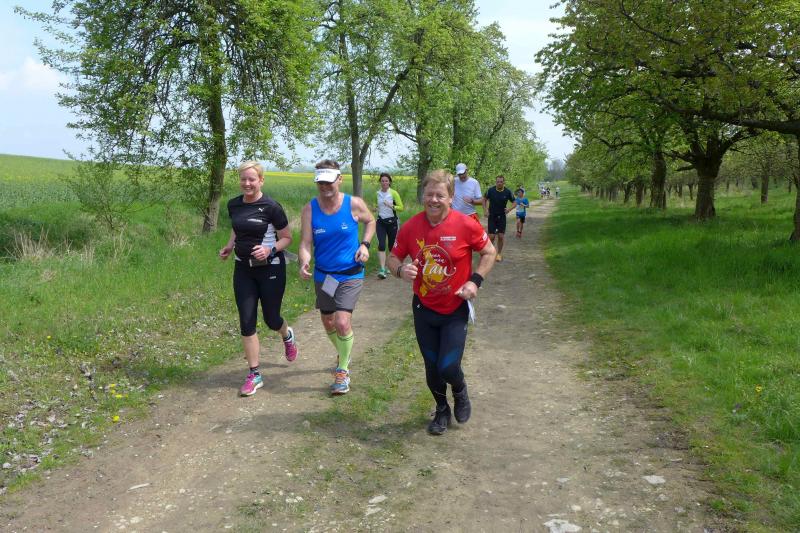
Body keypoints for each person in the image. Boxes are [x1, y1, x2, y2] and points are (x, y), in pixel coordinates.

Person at [387, 169, 497, 436]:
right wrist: (400, 270)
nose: (433, 200)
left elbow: (489, 252)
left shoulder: (466, 224)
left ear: (451, 197)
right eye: (429, 194)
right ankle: (442, 409)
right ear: (423, 196)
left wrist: (475, 281)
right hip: (424, 308)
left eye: (440, 195)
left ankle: (459, 390)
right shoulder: (411, 226)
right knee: (432, 366)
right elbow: (393, 258)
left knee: (448, 366)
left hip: (454, 308)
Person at [219, 161, 298, 397]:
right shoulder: (234, 204)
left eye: (252, 179)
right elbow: (237, 228)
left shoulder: (272, 207)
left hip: (271, 268)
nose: (247, 183)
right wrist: (229, 246)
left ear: (261, 180)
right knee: (246, 321)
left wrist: (269, 249)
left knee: (272, 319)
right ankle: (254, 374)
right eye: (243, 179)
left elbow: (287, 237)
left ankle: (287, 334)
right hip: (243, 269)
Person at [299, 160, 376, 395]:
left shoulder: (354, 204)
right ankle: (345, 352)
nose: (324, 187)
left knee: (342, 322)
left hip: (351, 274)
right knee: (328, 321)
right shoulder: (310, 209)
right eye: (320, 182)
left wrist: (365, 245)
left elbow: (371, 221)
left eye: (329, 182)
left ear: (339, 180)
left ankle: (342, 370)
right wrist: (304, 261)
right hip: (325, 276)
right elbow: (305, 243)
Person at [374, 172, 404, 279]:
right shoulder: (377, 193)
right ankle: (382, 269)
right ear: (380, 182)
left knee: (391, 246)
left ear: (389, 182)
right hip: (380, 222)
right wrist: (374, 208)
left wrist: (391, 206)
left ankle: (389, 266)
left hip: (392, 223)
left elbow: (401, 207)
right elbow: (375, 205)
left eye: (386, 181)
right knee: (381, 245)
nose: (384, 183)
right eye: (382, 181)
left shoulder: (394, 193)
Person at [482, 174, 515, 262]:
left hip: (502, 216)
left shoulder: (508, 192)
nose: (499, 183)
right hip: (492, 216)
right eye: (498, 182)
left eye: (501, 182)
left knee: (500, 236)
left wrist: (509, 209)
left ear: (504, 182)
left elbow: (515, 202)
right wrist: (485, 210)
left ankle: (499, 254)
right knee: (491, 236)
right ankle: (490, 252)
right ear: (496, 182)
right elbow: (484, 199)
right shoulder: (490, 190)